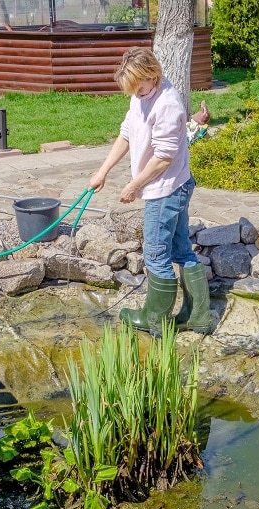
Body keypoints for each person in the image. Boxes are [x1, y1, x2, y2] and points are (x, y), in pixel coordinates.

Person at [88, 47, 211, 337]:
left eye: (139, 89)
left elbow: (164, 158)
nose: (137, 95)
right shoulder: (141, 93)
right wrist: (102, 171)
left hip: (165, 190)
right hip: (171, 186)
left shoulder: (168, 104)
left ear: (152, 76)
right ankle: (198, 316)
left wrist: (134, 186)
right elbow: (127, 132)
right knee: (181, 249)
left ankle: (155, 319)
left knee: (156, 255)